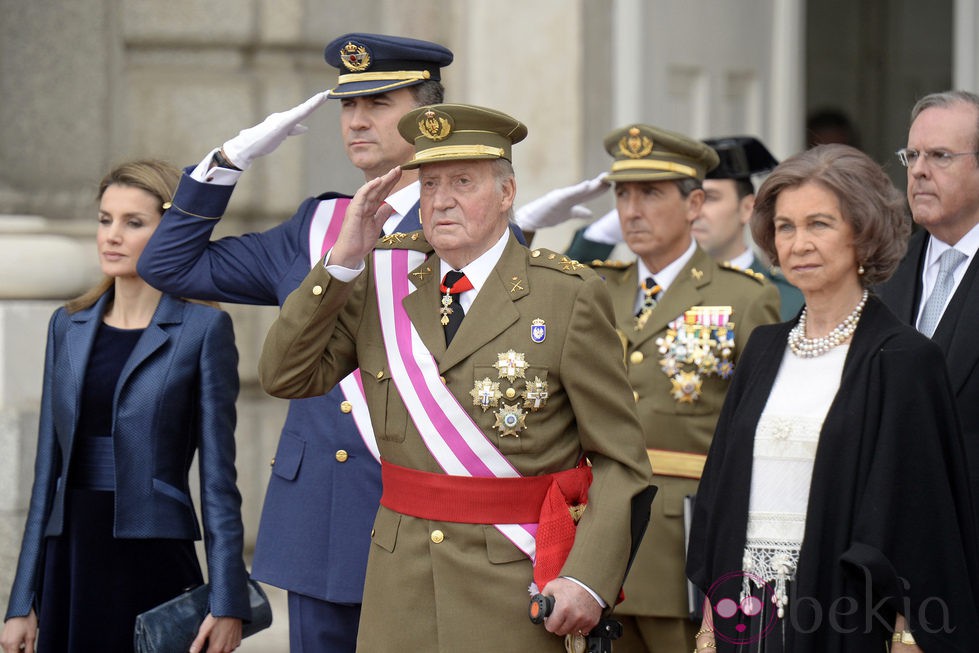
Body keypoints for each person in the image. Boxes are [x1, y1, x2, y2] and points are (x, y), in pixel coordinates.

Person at [258, 103, 654, 650]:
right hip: (400, 586)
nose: (440, 200)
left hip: (515, 583)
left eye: (463, 183)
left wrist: (587, 578)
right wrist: (343, 259)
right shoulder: (380, 278)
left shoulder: (566, 295)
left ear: (507, 193)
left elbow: (621, 461)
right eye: (430, 184)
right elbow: (284, 374)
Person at [136, 33, 454, 651]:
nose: (357, 120)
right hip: (324, 518)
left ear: (429, 113)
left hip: (427, 516)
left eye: (381, 102)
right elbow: (169, 266)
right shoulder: (315, 227)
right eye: (347, 105)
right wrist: (226, 162)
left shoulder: (466, 221)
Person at [687, 144, 979, 652]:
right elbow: (720, 499)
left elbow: (921, 524)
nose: (799, 243)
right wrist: (712, 626)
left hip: (847, 622)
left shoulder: (906, 359)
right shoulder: (762, 349)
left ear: (863, 234)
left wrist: (907, 637)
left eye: (819, 224)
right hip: (746, 620)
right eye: (786, 227)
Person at [0, 160, 251, 653]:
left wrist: (228, 600)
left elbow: (220, 482)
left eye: (133, 223)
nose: (111, 236)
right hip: (68, 556)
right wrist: (21, 599)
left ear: (171, 231)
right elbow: (46, 475)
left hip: (152, 557)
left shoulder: (203, 331)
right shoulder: (66, 327)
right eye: (104, 219)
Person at [580, 125, 780, 653]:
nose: (632, 209)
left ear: (694, 203)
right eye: (623, 193)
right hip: (599, 534)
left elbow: (756, 433)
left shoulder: (742, 298)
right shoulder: (596, 289)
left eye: (650, 193)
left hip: (686, 539)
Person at [519, 137, 804, 319]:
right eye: (624, 194)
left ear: (746, 208)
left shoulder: (781, 295)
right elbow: (544, 306)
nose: (698, 213)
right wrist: (595, 237)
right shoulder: (619, 286)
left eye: (712, 199)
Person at [877, 90, 979, 528]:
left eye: (939, 156)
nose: (918, 171)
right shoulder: (880, 272)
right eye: (912, 155)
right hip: (886, 541)